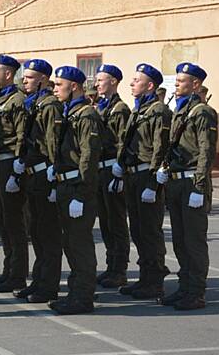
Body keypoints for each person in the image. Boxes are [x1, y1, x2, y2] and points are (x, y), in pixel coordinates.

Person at [156, 63, 217, 310]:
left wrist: (199, 187)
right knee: (180, 241)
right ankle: (184, 288)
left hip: (192, 182)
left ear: (196, 85)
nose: (177, 84)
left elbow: (206, 151)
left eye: (182, 81)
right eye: (177, 81)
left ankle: (196, 292)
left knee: (194, 242)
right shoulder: (182, 110)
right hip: (176, 181)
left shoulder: (202, 112)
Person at [50, 66, 102, 315]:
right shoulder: (69, 112)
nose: (55, 89)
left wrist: (81, 194)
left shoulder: (86, 115)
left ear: (74, 86)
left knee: (80, 245)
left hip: (77, 187)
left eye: (60, 85)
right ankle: (75, 293)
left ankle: (83, 298)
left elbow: (89, 157)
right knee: (70, 243)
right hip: (65, 184)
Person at [117, 63, 172, 300]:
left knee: (149, 231)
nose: (131, 83)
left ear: (150, 85)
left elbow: (162, 147)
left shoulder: (158, 111)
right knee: (138, 230)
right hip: (133, 175)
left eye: (136, 80)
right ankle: (145, 278)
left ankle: (154, 281)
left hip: (146, 176)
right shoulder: (140, 109)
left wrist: (154, 183)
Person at [14, 60, 63, 304]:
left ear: (43, 79)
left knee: (48, 234)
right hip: (33, 174)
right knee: (37, 233)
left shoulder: (50, 105)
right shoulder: (34, 104)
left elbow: (53, 143)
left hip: (45, 175)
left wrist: (55, 177)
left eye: (30, 77)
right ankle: (38, 280)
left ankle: (49, 285)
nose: (25, 80)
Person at [0, 54, 29, 294]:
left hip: (9, 164)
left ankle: (18, 274)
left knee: (14, 223)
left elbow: (22, 136)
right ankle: (8, 270)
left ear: (8, 74)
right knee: (2, 222)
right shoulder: (0, 99)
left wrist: (17, 170)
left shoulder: (17, 100)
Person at [94, 65, 131, 288]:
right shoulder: (101, 107)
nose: (97, 84)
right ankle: (111, 266)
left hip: (112, 169)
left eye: (101, 80)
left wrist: (119, 170)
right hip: (100, 169)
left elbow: (122, 142)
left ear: (114, 82)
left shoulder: (120, 109)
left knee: (116, 221)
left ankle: (119, 269)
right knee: (106, 222)